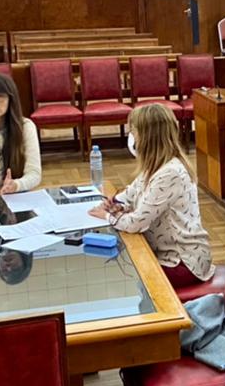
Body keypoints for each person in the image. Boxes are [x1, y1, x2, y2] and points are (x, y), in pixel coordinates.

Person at [91, 104, 213, 289]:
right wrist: (116, 204)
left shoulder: (170, 173)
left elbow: (136, 223)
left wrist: (108, 216)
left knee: (122, 277)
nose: (131, 136)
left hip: (183, 262)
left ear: (147, 137)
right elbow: (132, 193)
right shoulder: (155, 166)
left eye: (134, 131)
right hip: (166, 253)